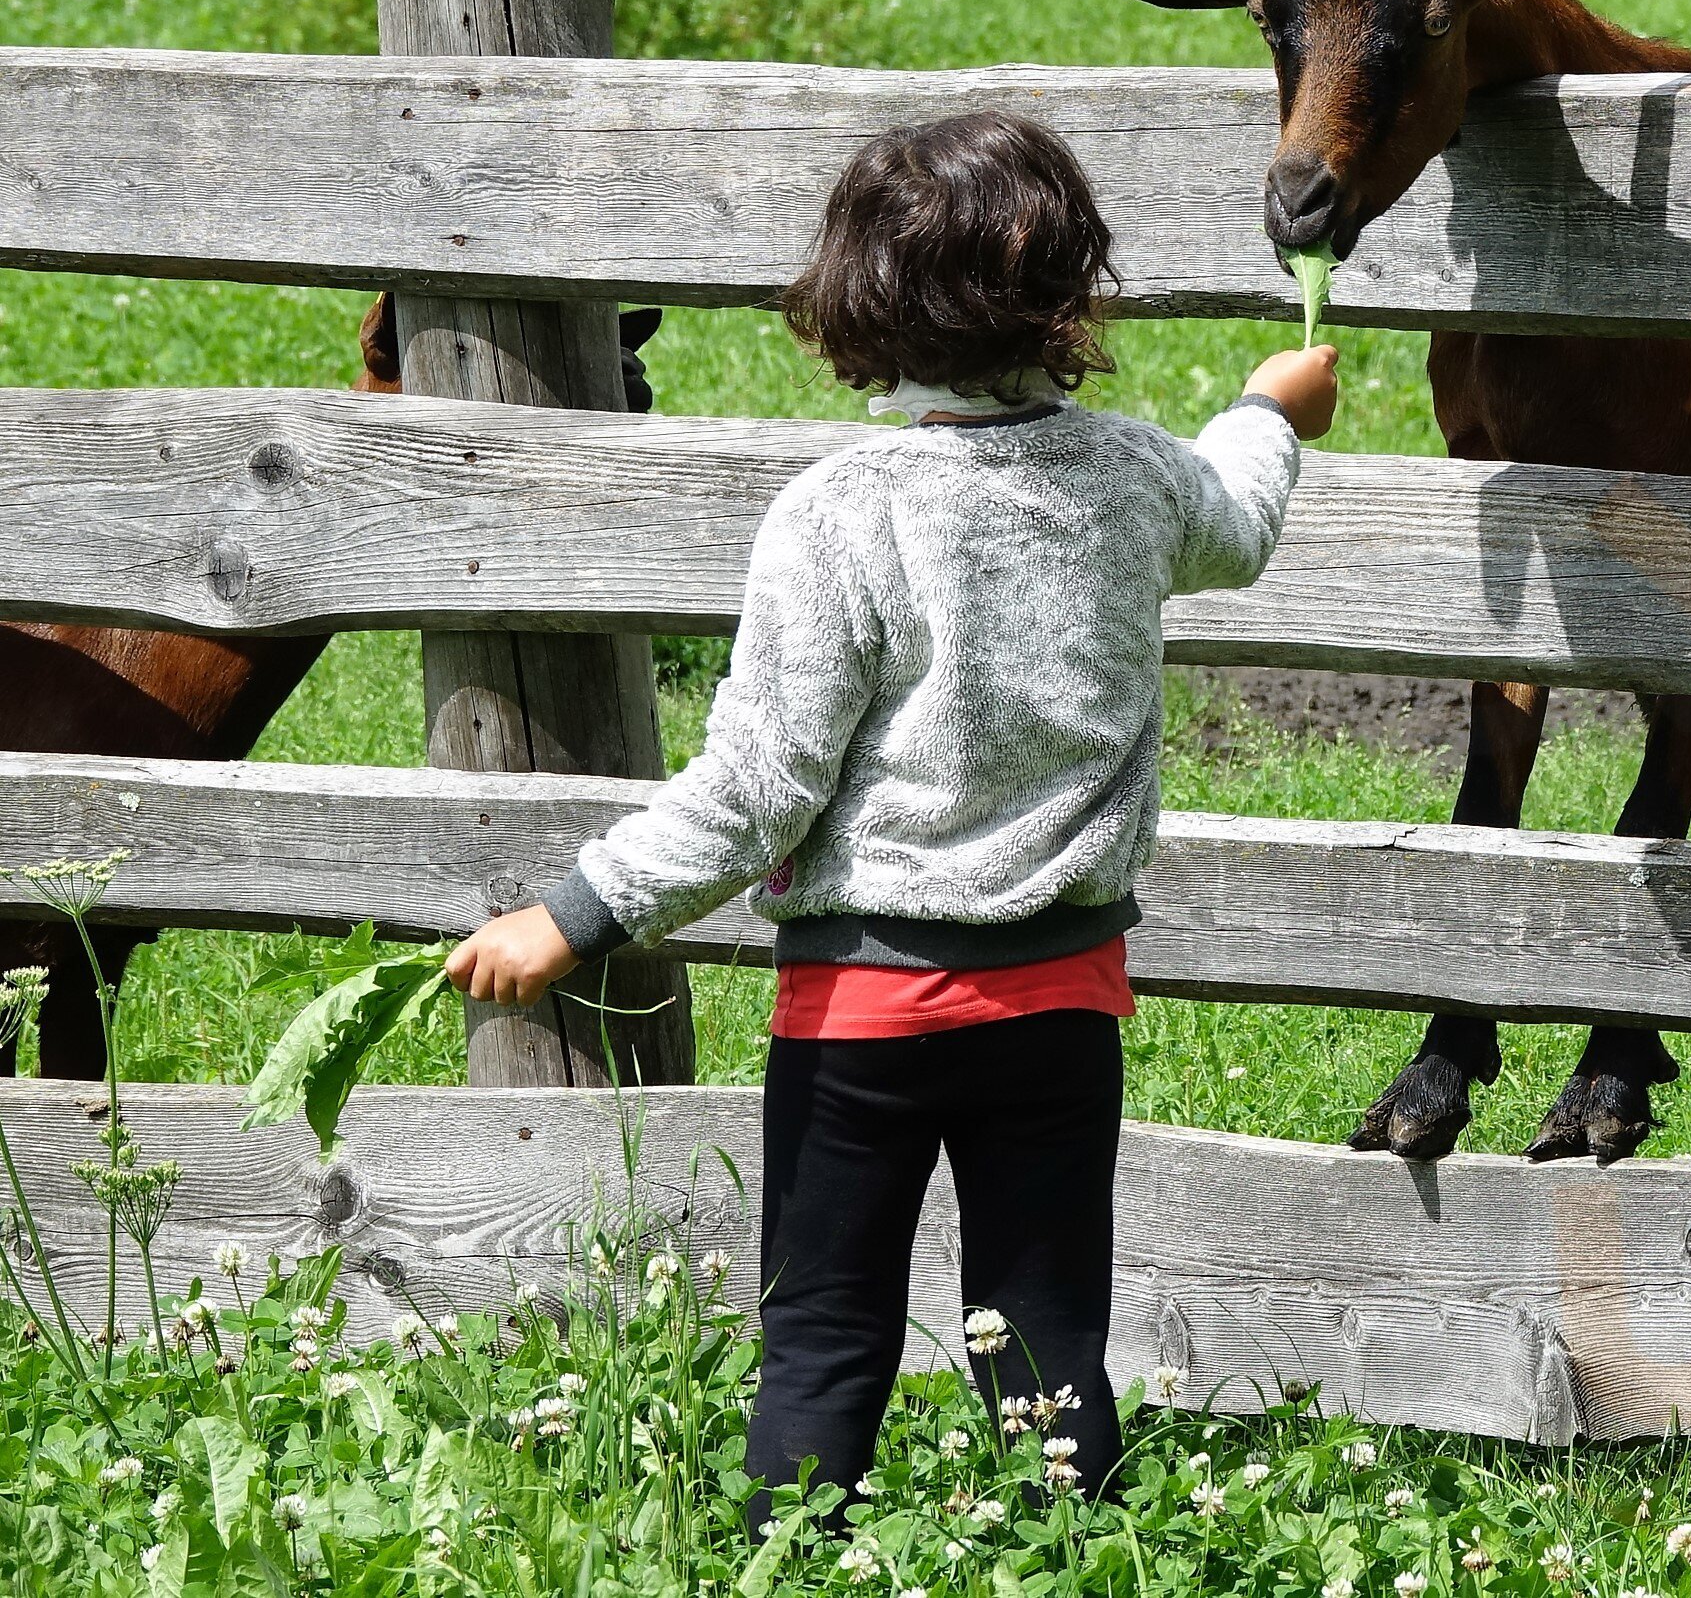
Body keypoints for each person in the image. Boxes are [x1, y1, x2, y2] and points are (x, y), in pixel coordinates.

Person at [446, 108, 1337, 1527]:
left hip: (862, 1017)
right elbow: (1239, 514)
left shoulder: (838, 512)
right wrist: (1269, 410)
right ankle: (1081, 1559)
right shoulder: (1131, 479)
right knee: (1049, 1345)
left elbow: (755, 787)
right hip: (1057, 1004)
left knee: (823, 1337)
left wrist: (575, 909)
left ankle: (790, 1555)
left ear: (855, 301)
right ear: (1068, 296)